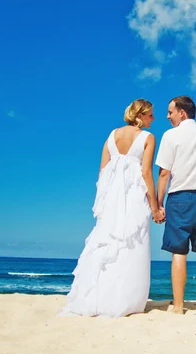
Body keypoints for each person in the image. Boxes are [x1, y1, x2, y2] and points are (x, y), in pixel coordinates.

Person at [60, 99, 165, 317]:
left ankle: (100, 297)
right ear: (140, 115)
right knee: (132, 244)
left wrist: (104, 200)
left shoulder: (111, 136)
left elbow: (102, 171)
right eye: (151, 115)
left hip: (112, 199)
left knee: (107, 243)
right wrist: (155, 208)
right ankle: (126, 300)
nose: (153, 119)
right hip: (134, 196)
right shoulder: (148, 137)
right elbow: (146, 174)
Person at [156, 96, 196, 314]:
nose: (167, 116)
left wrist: (158, 203)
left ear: (182, 112)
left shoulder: (171, 136)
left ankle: (178, 306)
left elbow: (164, 172)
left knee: (178, 252)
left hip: (180, 198)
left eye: (170, 112)